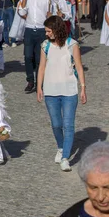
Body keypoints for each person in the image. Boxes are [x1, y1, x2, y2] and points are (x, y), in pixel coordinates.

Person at [36, 16, 86, 172]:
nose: (46, 34)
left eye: (49, 31)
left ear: (57, 30)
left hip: (69, 91)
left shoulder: (72, 45)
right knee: (56, 124)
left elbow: (78, 67)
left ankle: (65, 157)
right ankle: (60, 146)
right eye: (46, 31)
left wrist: (83, 87)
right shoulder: (45, 46)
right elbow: (42, 67)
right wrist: (39, 87)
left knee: (68, 125)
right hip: (51, 91)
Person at [18, 0, 51, 92]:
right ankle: (30, 80)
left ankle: (39, 82)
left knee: (39, 58)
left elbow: (50, 14)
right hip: (29, 29)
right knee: (27, 56)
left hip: (42, 30)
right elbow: (21, 12)